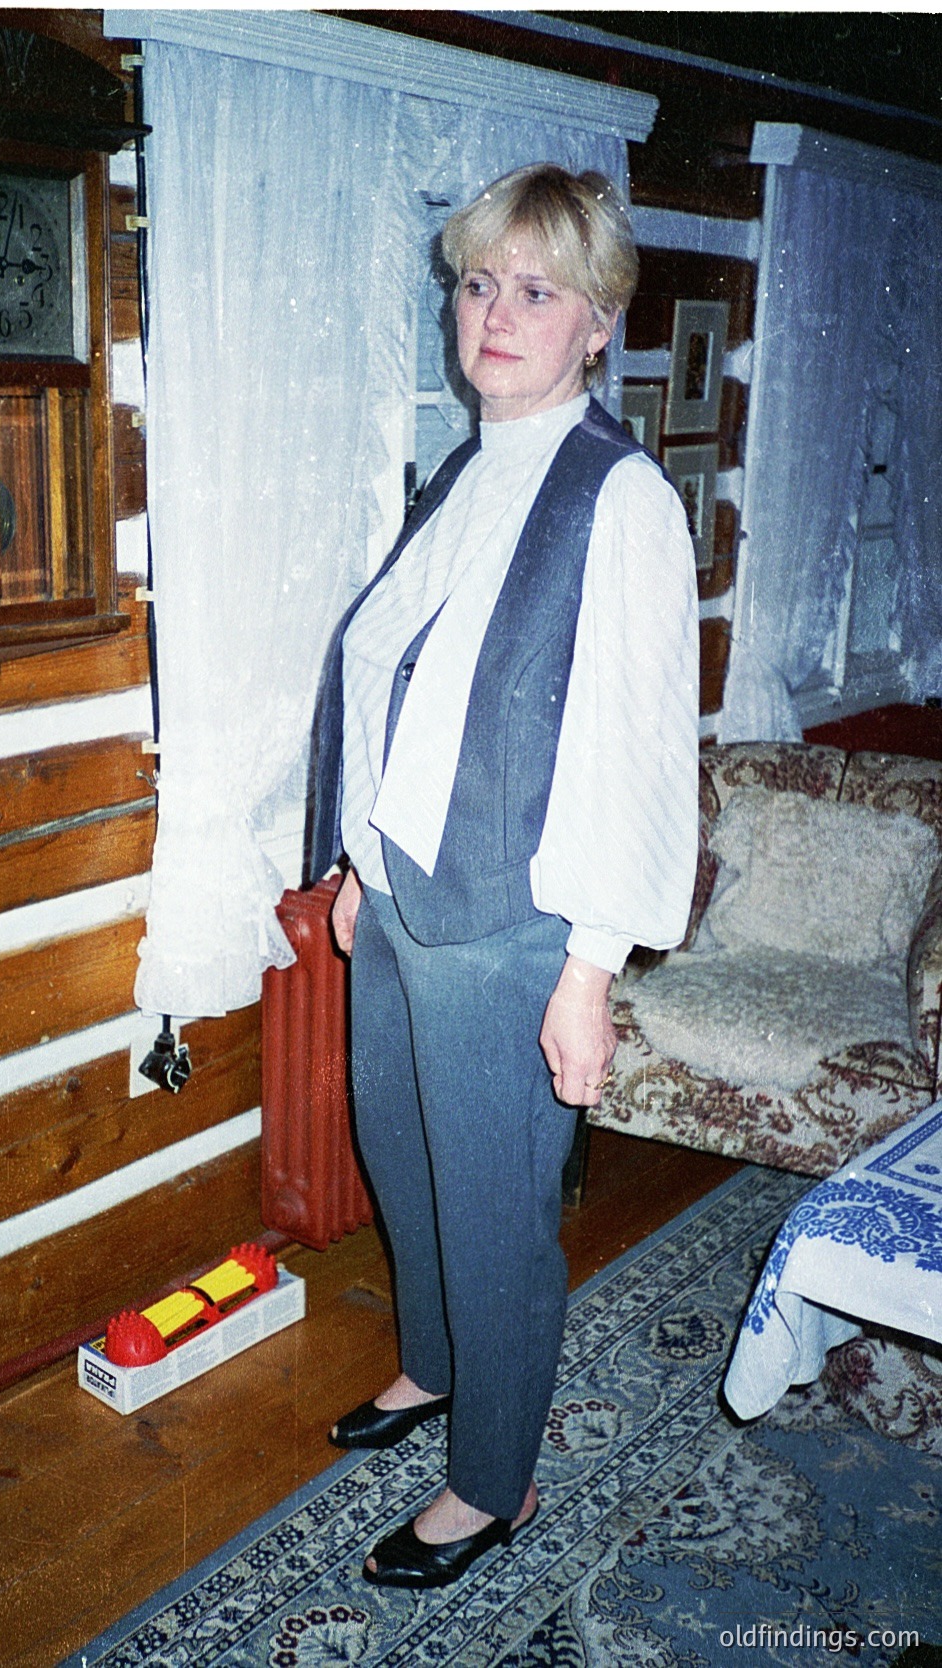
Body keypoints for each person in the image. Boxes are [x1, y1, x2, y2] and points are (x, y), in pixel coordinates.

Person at [307, 163, 699, 1590]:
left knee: (493, 1206)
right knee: (403, 1162)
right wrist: (357, 859)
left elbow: (635, 749)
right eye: (478, 283)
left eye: (536, 290)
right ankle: (430, 1368)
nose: (496, 313)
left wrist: (589, 966)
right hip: (403, 892)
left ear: (597, 324)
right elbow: (398, 679)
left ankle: (494, 1482)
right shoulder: (466, 468)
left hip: (514, 921)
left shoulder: (621, 500)